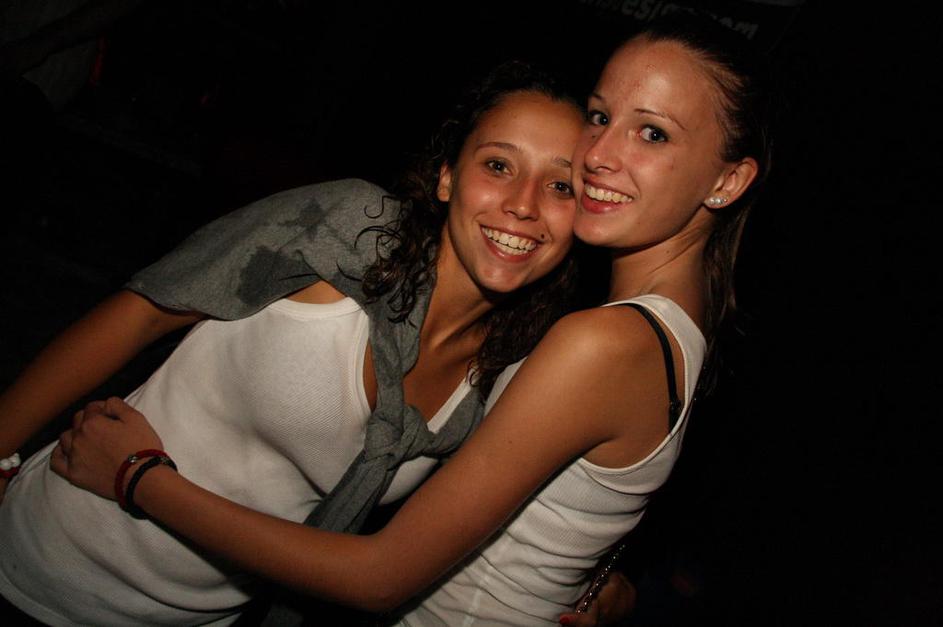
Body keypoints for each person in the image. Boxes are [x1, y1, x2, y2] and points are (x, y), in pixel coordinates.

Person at [50, 12, 772, 626]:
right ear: (447, 175)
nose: (599, 156)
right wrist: (603, 585)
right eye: (600, 117)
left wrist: (138, 475)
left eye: (653, 134)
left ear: (728, 179)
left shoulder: (600, 339)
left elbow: (379, 577)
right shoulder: (678, 333)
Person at [0, 61, 597, 625]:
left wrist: (601, 589)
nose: (524, 204)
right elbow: (142, 314)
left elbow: (505, 529)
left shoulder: (511, 371)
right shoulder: (350, 230)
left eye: (561, 185)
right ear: (447, 176)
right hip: (40, 562)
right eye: (498, 165)